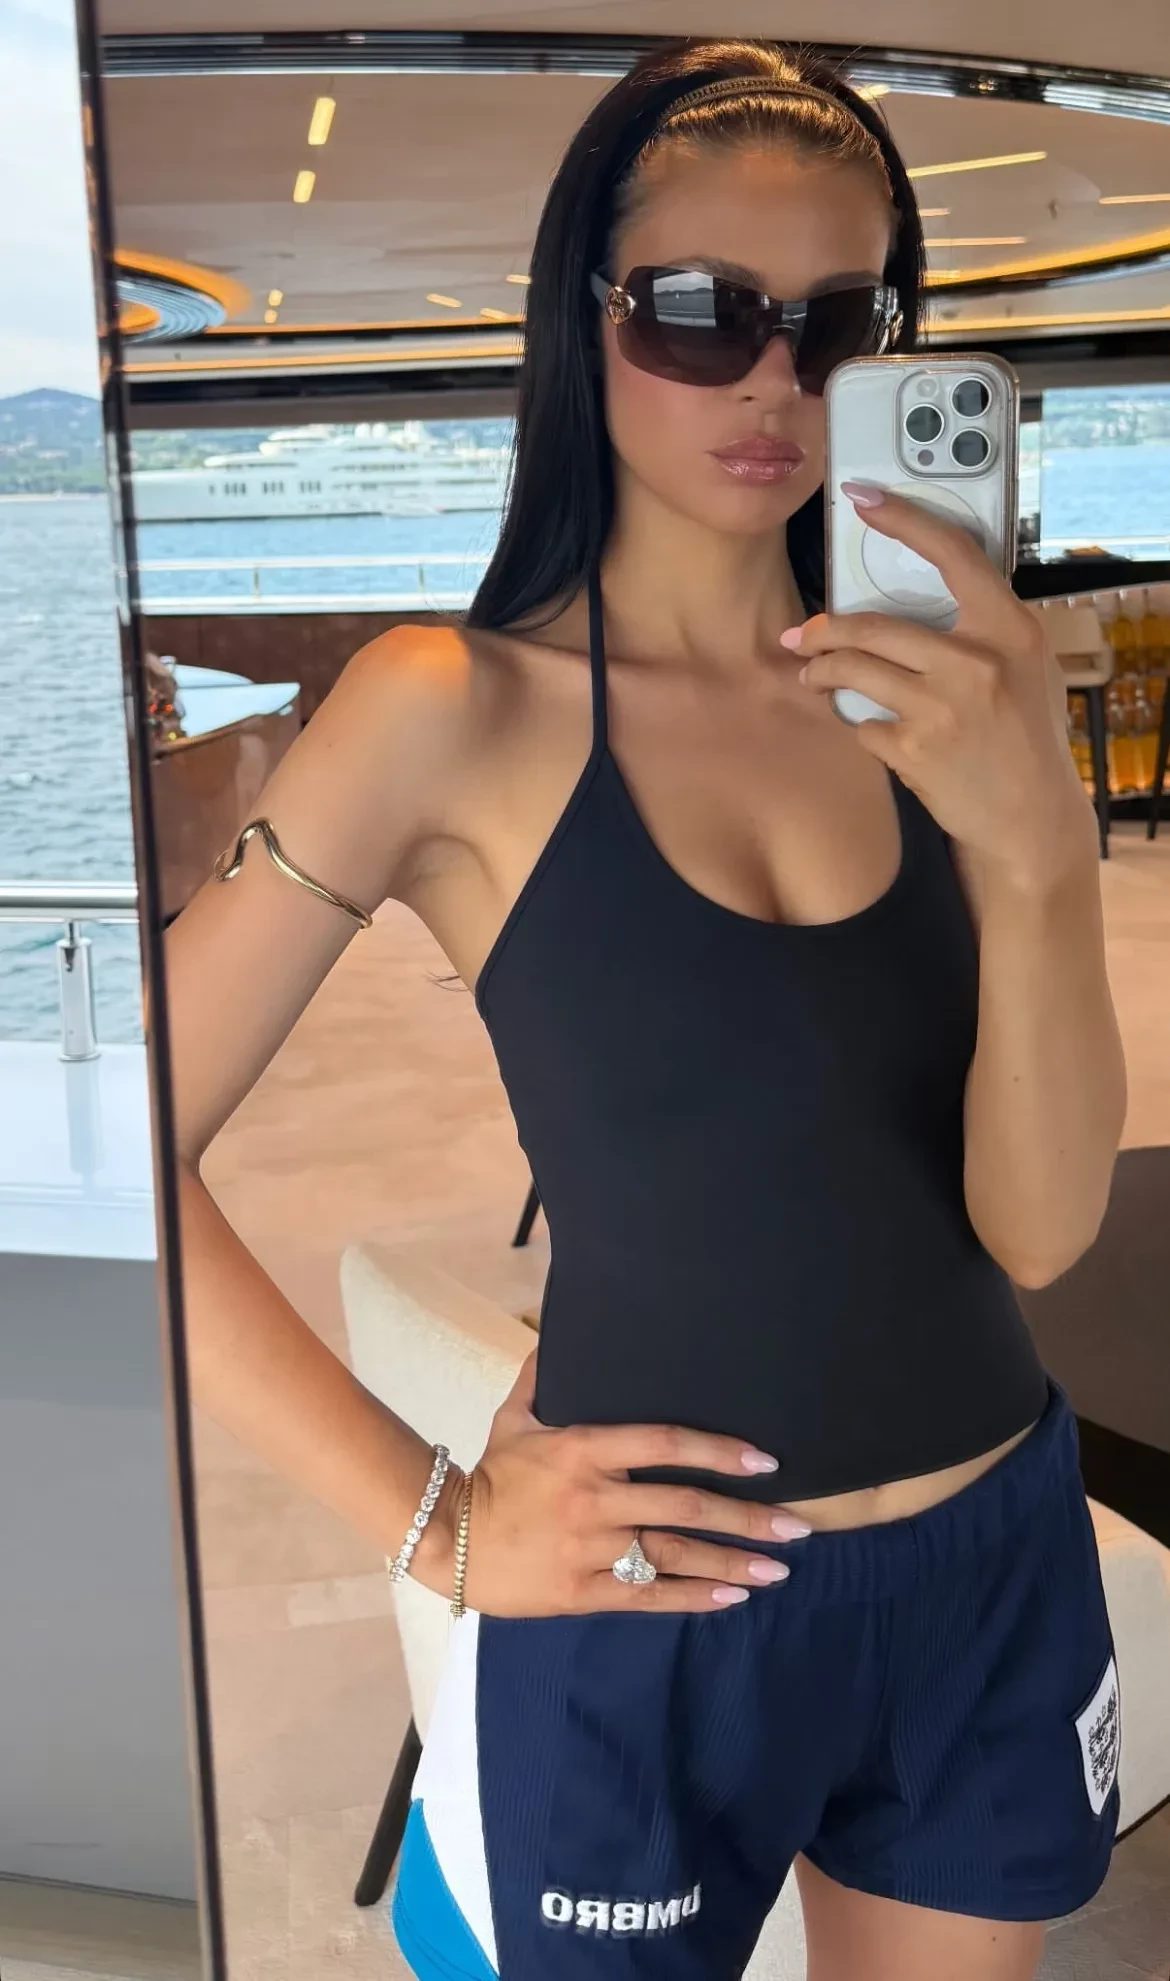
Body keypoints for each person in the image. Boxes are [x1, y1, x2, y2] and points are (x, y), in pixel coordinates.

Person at [167, 37, 1127, 1981]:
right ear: (586, 319)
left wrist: (1036, 853)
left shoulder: (942, 702)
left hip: (990, 1553)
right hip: (651, 1599)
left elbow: (1036, 1232)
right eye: (701, 312)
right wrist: (432, 1523)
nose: (774, 378)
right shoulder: (449, 712)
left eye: (839, 325)